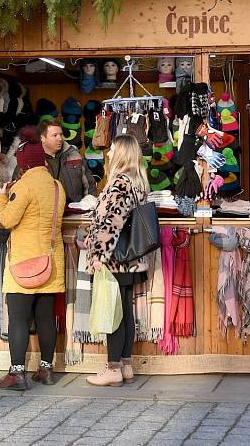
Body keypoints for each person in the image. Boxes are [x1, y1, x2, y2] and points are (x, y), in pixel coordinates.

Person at [0, 129, 66, 391]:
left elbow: (8, 220)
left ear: (23, 164)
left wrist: (2, 197)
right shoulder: (57, 186)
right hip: (50, 262)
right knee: (46, 317)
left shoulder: (22, 186)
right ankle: (46, 370)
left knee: (19, 319)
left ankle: (17, 374)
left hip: (24, 264)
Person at [84, 134, 150, 387]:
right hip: (130, 258)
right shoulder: (138, 181)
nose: (108, 154)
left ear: (122, 154)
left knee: (114, 312)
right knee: (125, 311)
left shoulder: (120, 183)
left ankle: (113, 368)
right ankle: (125, 364)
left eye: (112, 150)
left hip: (115, 258)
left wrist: (99, 255)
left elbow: (112, 223)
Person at [39, 117, 96, 203]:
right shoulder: (32, 160)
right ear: (42, 138)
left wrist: (88, 205)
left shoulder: (74, 155)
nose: (60, 138)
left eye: (61, 134)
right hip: (45, 213)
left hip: (74, 211)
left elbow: (89, 185)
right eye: (55, 135)